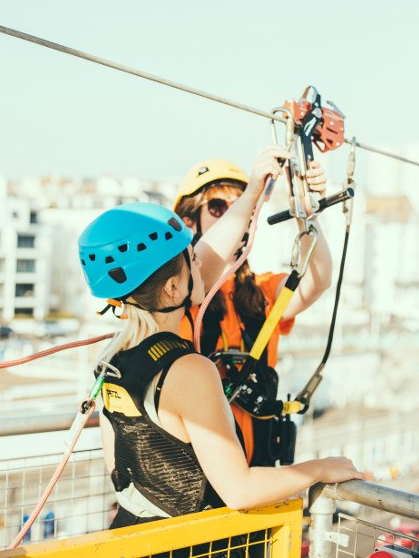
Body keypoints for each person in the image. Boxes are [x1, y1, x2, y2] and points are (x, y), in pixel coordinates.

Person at [78, 177, 364, 548]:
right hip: (195, 543)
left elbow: (118, 468)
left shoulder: (113, 360)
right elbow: (239, 490)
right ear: (171, 288)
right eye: (192, 258)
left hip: (135, 536)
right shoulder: (190, 369)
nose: (202, 261)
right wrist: (318, 469)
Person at [174, 148, 332, 465]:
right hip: (195, 473)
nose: (235, 217)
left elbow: (318, 279)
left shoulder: (261, 292)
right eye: (219, 207)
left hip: (255, 468)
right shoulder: (176, 292)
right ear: (189, 220)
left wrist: (304, 212)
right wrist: (252, 194)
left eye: (241, 208)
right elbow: (203, 266)